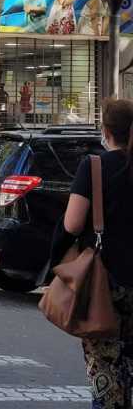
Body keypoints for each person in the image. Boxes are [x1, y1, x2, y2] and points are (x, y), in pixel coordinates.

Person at [54, 98, 133, 408]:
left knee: (107, 367)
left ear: (106, 130)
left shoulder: (95, 166)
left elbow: (72, 223)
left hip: (107, 282)